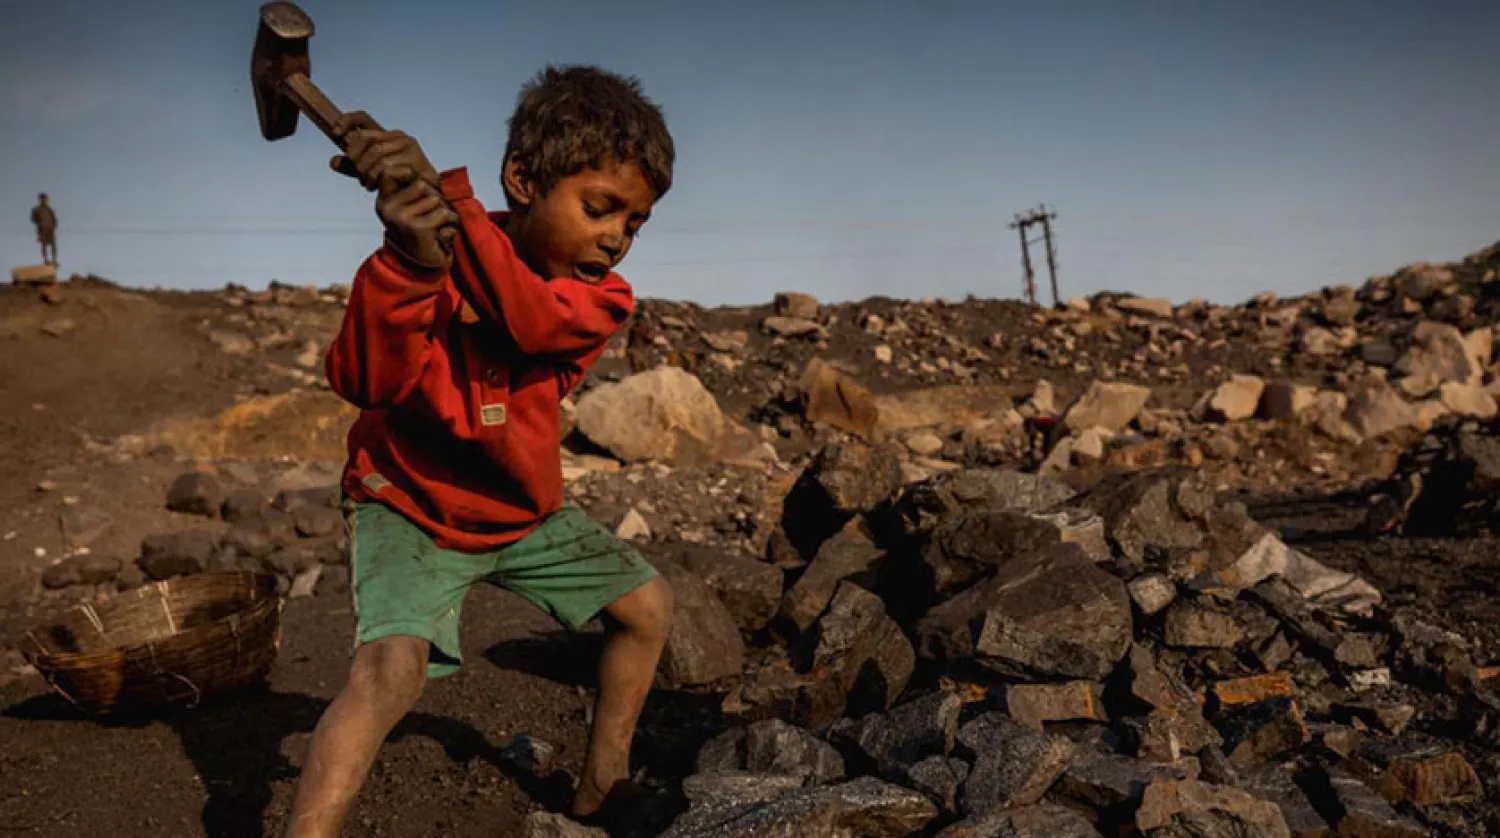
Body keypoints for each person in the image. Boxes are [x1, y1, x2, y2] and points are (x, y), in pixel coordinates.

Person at [283, 65, 676, 837]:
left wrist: (452, 207)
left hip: (519, 509)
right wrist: (411, 263)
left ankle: (602, 783)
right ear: (523, 180)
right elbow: (364, 380)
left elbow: (529, 322)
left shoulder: (600, 298)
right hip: (409, 503)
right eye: (600, 208)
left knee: (648, 608)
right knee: (389, 673)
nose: (616, 237)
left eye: (634, 222)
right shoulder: (427, 256)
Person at [31, 193, 57, 266]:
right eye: (42, 199)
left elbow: (54, 219)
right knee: (44, 246)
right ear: (40, 200)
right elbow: (33, 219)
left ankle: (54, 260)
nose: (44, 201)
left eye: (45, 199)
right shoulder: (37, 209)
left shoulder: (49, 209)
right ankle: (46, 260)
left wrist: (53, 226)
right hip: (42, 229)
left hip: (50, 229)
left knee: (53, 245)